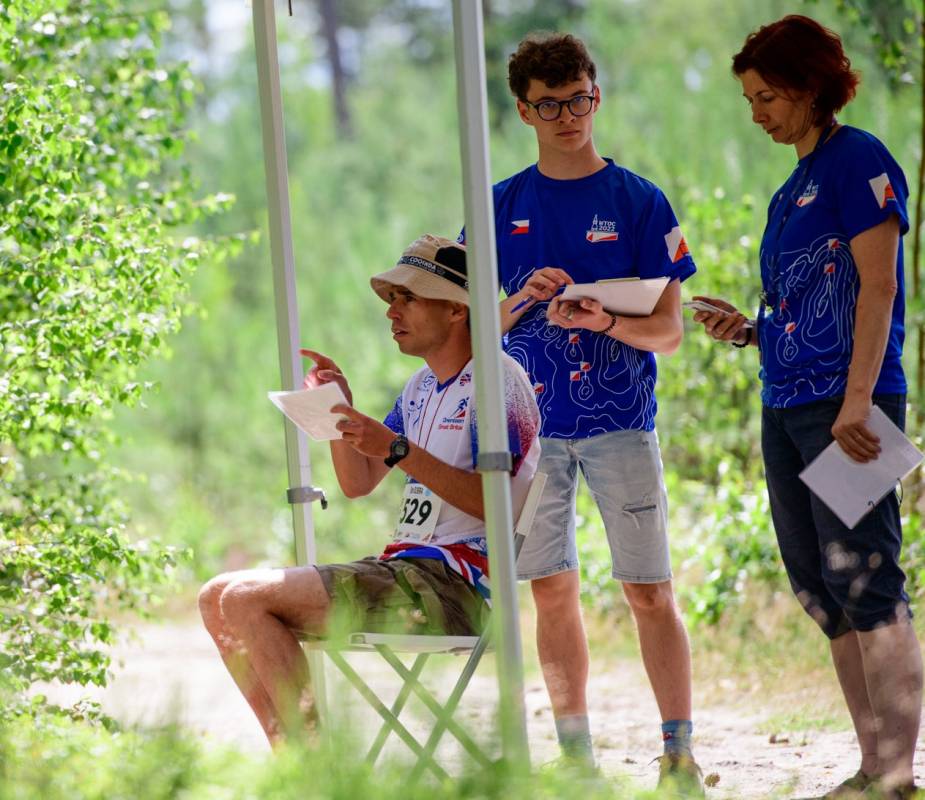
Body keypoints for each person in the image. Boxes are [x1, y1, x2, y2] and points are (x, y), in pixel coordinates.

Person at [691, 15, 922, 800]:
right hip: (786, 402)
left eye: (766, 96)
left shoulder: (858, 160)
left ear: (810, 85)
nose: (755, 112)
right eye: (749, 99)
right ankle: (869, 767)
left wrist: (858, 402)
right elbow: (814, 299)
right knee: (818, 590)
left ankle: (896, 777)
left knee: (866, 580)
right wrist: (750, 331)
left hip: (849, 405)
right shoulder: (792, 185)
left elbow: (881, 287)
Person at [198, 234, 541, 746]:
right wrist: (340, 413)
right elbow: (357, 484)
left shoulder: (499, 384)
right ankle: (298, 760)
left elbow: (499, 511)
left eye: (409, 298)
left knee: (245, 599)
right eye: (391, 298)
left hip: (455, 589)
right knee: (215, 596)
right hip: (407, 570)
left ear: (455, 310)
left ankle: (313, 766)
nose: (392, 312)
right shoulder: (420, 388)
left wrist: (399, 450)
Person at [484, 31, 701, 789]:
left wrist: (603, 319)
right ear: (522, 111)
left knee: (648, 589)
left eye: (576, 99)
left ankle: (677, 750)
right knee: (550, 587)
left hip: (620, 422)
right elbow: (466, 328)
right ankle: (575, 762)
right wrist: (521, 300)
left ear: (595, 95)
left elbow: (670, 331)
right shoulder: (496, 206)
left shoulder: (637, 200)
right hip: (529, 431)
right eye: (548, 105)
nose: (566, 117)